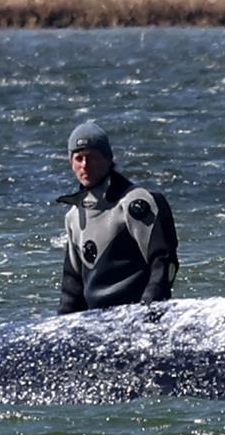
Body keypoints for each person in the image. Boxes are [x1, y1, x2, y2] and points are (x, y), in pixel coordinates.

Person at [56, 121, 179, 314]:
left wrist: (149, 310)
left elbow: (164, 261)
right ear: (71, 163)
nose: (85, 165)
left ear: (108, 158)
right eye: (79, 158)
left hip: (137, 314)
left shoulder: (136, 203)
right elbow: (71, 288)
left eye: (91, 157)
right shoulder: (74, 216)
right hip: (96, 320)